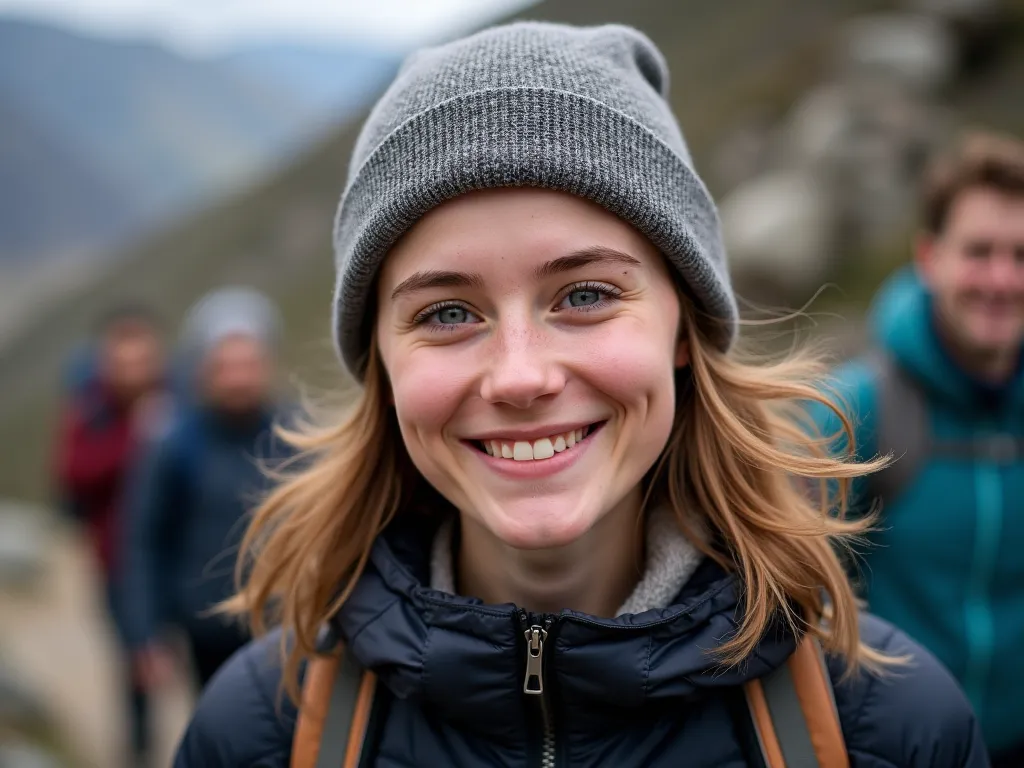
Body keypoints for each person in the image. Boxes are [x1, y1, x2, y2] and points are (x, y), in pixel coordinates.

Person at [175, 23, 986, 767]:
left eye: (586, 295)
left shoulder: (887, 729)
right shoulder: (261, 733)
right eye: (448, 313)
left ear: (682, 326)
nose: (522, 376)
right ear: (382, 366)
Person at [822, 131, 1024, 766]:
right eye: (979, 252)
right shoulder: (855, 410)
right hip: (896, 752)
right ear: (929, 257)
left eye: (1021, 255)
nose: (1001, 278)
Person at [121, 287, 290, 692]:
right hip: (206, 633)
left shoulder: (296, 436)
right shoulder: (174, 444)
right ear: (204, 370)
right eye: (226, 366)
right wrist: (145, 633)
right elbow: (145, 541)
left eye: (249, 364)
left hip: (285, 625)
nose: (239, 378)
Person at [53, 303, 167, 767]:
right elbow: (74, 473)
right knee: (133, 659)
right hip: (115, 558)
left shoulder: (176, 397)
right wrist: (136, 438)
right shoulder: (90, 408)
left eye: (142, 360)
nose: (133, 372)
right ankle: (141, 749)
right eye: (123, 362)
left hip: (173, 556)